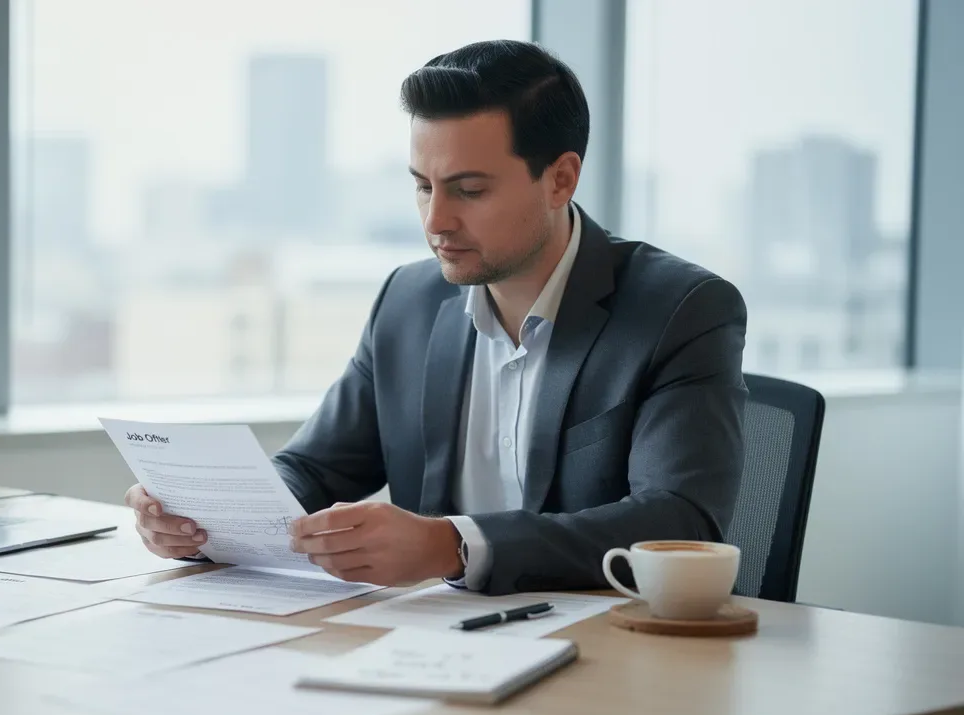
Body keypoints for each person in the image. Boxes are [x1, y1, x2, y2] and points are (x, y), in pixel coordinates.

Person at [125, 40, 746, 596]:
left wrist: (453, 544)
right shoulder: (408, 302)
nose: (435, 221)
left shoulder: (680, 309)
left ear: (560, 179)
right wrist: (200, 518)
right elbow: (315, 469)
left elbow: (679, 519)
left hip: (604, 652)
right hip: (432, 647)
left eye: (469, 190)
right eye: (423, 185)